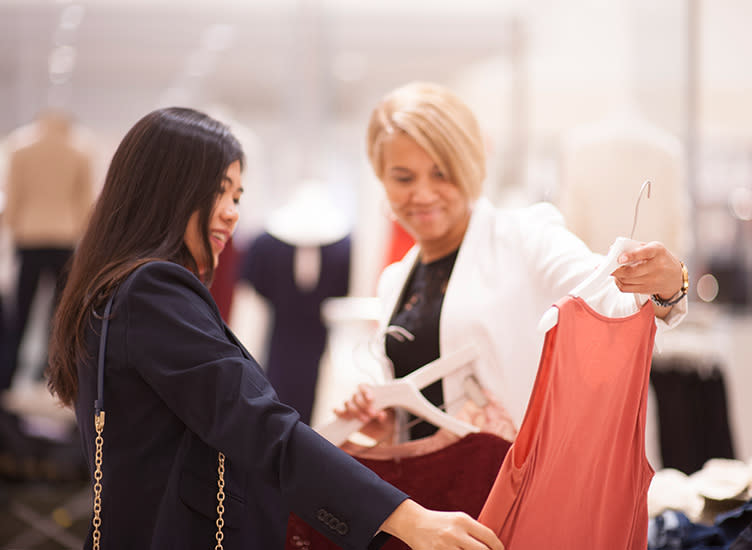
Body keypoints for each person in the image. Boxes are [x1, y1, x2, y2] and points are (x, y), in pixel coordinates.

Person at [45, 107, 503, 550]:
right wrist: (409, 518)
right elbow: (256, 426)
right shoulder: (153, 290)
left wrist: (355, 439)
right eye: (219, 191)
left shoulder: (117, 292)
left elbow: (213, 437)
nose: (231, 212)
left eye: (238, 197)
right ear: (169, 189)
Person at [334, 81, 688, 442]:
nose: (422, 193)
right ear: (382, 180)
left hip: (511, 485)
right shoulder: (395, 281)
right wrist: (390, 425)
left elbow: (608, 295)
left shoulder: (526, 237)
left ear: (468, 166)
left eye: (441, 173)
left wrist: (666, 286)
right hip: (427, 495)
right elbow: (423, 409)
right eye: (403, 178)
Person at [3, 109, 94, 389]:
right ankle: (50, 371)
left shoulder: (21, 148)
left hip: (29, 237)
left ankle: (7, 371)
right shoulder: (79, 150)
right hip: (64, 238)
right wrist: (80, 231)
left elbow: (13, 195)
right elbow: (84, 200)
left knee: (21, 309)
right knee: (60, 312)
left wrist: (14, 228)